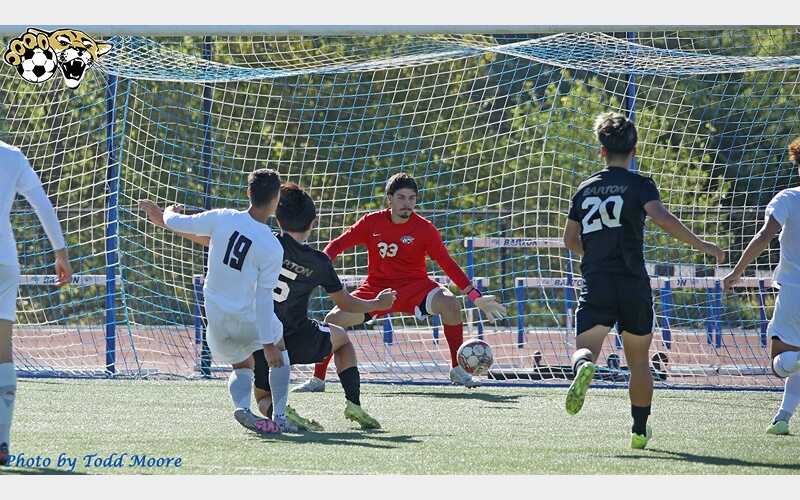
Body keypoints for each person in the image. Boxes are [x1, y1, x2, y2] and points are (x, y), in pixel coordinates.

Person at [562, 112, 724, 449]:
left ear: (601, 151)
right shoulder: (641, 184)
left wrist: (593, 256)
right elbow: (662, 218)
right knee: (638, 361)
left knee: (585, 349)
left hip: (597, 281)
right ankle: (638, 430)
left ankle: (583, 367)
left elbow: (569, 239)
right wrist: (702, 245)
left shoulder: (585, 188)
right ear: (634, 150)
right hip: (633, 282)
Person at [294, 173, 506, 392]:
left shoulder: (425, 229)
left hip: (415, 288)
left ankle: (457, 370)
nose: (407, 204)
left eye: (412, 198)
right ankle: (318, 380)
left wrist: (475, 297)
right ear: (390, 198)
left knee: (451, 304)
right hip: (376, 291)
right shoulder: (371, 222)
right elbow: (338, 245)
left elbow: (447, 263)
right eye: (402, 198)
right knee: (333, 320)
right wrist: (321, 266)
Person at [141, 168, 288, 434]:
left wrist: (167, 213)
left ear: (248, 193)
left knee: (242, 365)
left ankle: (242, 407)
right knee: (280, 346)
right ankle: (281, 416)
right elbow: (264, 298)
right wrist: (268, 345)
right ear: (276, 199)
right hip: (247, 318)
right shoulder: (272, 246)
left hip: (216, 318)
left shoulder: (223, 218)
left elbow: (178, 222)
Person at [253, 183, 395, 430]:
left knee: (261, 398)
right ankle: (354, 403)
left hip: (261, 340)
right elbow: (346, 303)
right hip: (298, 337)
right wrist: (378, 303)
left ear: (278, 218)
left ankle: (279, 411)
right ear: (314, 223)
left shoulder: (264, 243)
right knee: (342, 340)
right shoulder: (319, 262)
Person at [0, 140, 73, 466]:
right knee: (3, 350)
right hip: (5, 263)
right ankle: (1, 442)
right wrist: (60, 251)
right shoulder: (12, 156)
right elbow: (42, 203)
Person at [723, 137, 800, 436]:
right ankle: (782, 417)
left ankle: (782, 416)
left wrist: (736, 272)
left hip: (794, 291)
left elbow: (765, 235)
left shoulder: (788, 198)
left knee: (780, 363)